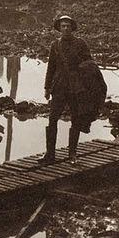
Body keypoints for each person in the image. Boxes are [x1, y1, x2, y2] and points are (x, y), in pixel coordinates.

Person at [42, 14, 93, 163]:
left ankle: (72, 154)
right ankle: (50, 154)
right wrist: (47, 87)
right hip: (59, 87)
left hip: (76, 87)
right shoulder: (55, 45)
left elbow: (90, 64)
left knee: (76, 119)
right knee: (52, 119)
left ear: (72, 28)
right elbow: (50, 67)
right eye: (63, 26)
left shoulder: (81, 44)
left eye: (68, 26)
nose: (65, 29)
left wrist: (82, 77)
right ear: (59, 28)